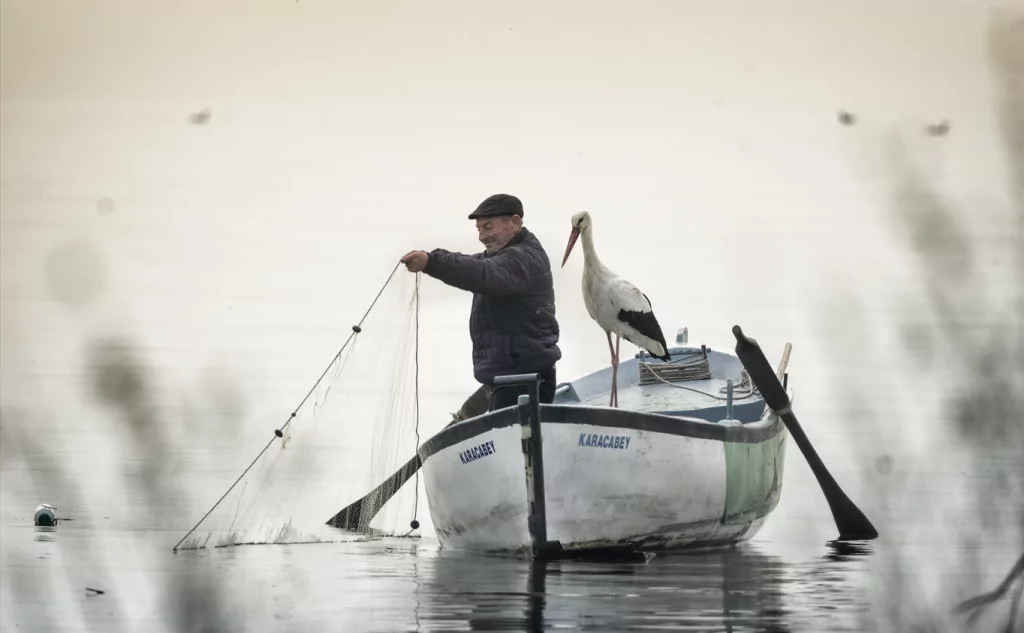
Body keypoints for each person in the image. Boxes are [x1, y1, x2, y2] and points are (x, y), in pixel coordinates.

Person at [401, 193, 562, 421]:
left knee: (514, 447)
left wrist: (431, 262)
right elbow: (473, 264)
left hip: (525, 381)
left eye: (488, 227)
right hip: (506, 379)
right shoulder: (500, 256)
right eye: (479, 229)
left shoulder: (522, 258)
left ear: (515, 223)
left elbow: (480, 273)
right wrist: (433, 259)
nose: (482, 236)